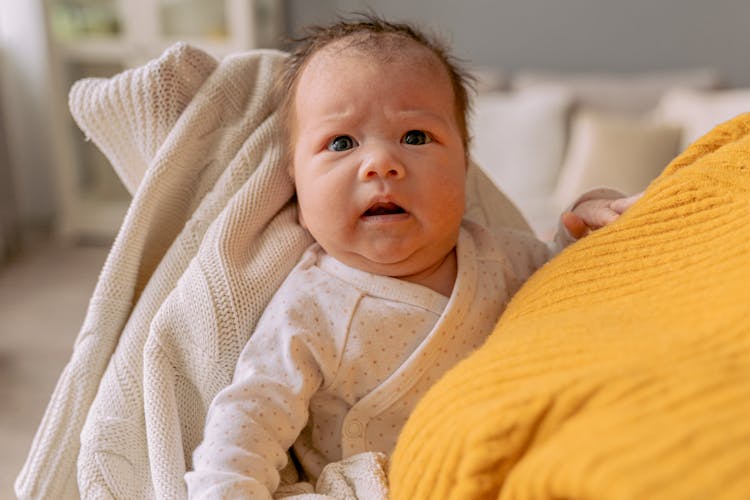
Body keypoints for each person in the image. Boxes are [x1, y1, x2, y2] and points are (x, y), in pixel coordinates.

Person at [185, 15, 638, 498]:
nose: (381, 162)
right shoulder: (308, 309)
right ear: (294, 183)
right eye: (341, 142)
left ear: (465, 163)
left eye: (416, 137)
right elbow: (248, 420)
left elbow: (569, 288)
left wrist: (584, 224)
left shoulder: (499, 255)